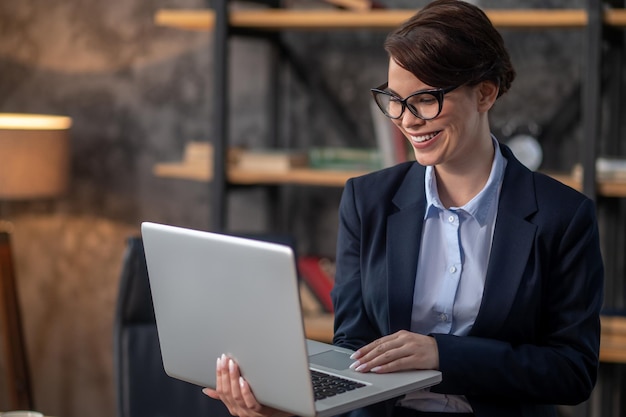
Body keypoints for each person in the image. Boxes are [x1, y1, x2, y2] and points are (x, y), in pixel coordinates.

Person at [203, 1, 605, 416]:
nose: (406, 120)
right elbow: (354, 348)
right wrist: (286, 406)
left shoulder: (563, 216)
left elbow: (572, 370)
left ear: (484, 93)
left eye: (425, 99)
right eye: (394, 99)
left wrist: (443, 355)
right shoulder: (366, 201)